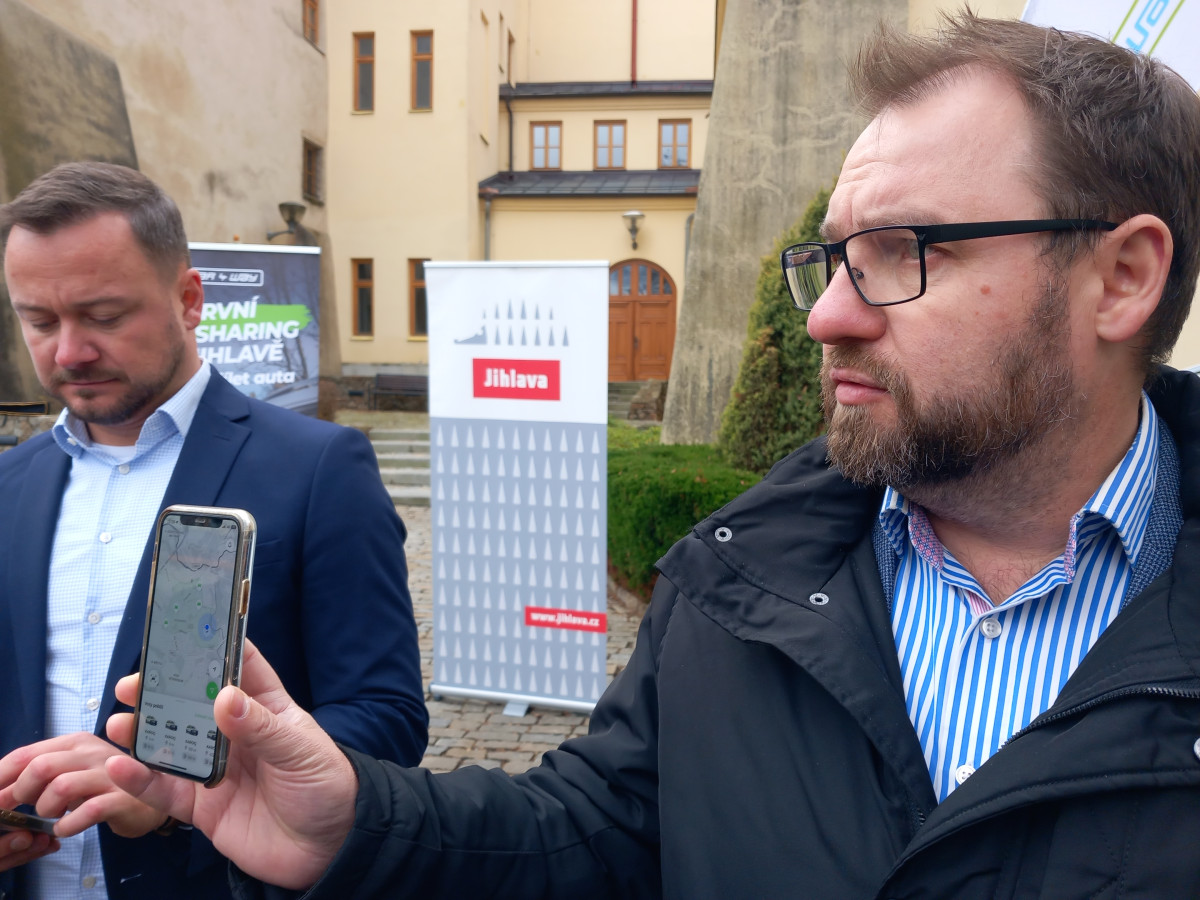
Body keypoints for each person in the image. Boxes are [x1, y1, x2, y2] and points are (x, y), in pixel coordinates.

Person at [104, 12, 1200, 897]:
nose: (827, 317)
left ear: (1121, 278)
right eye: (830, 260)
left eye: (903, 252)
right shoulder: (741, 576)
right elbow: (598, 830)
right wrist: (356, 822)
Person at [0, 162, 429, 900]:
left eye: (105, 316)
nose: (69, 351)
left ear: (189, 299)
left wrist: (175, 793)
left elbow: (385, 719)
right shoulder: (11, 482)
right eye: (39, 321)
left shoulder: (318, 467)